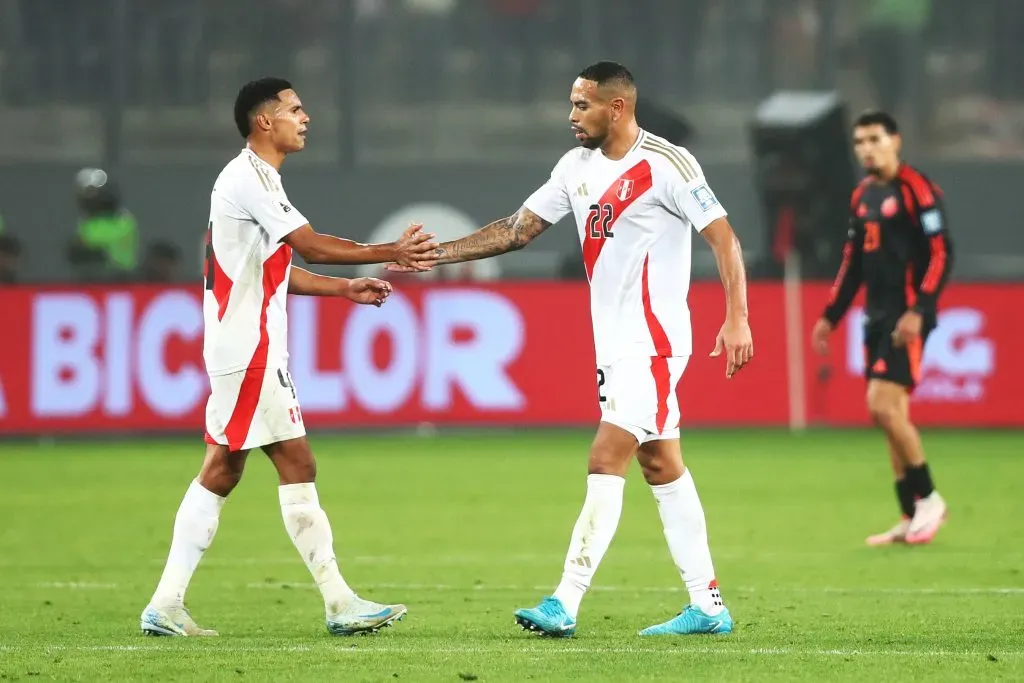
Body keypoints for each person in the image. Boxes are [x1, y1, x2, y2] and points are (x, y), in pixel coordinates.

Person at [392, 62, 753, 637]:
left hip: (654, 340)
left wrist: (737, 317)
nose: (572, 115)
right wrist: (436, 255)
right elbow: (516, 230)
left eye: (582, 105)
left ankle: (565, 599)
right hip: (614, 343)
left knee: (605, 457)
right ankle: (707, 605)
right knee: (661, 464)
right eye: (572, 104)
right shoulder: (574, 167)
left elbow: (724, 238)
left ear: (617, 107)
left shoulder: (667, 163)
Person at [140, 77, 437, 637]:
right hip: (250, 348)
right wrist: (390, 251)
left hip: (241, 346)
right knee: (295, 463)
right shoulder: (249, 178)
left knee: (222, 469)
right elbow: (312, 245)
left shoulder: (255, 180)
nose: (306, 119)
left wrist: (344, 289)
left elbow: (277, 272)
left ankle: (166, 603)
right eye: (295, 110)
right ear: (264, 121)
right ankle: (339, 602)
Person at [811, 110, 953, 546]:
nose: (867, 149)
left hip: (905, 315)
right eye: (860, 141)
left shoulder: (916, 189)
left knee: (882, 406)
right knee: (892, 417)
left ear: (896, 140)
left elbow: (941, 252)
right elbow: (852, 262)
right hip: (874, 316)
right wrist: (831, 315)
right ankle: (910, 514)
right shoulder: (863, 196)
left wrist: (920, 309)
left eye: (875, 139)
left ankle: (930, 498)